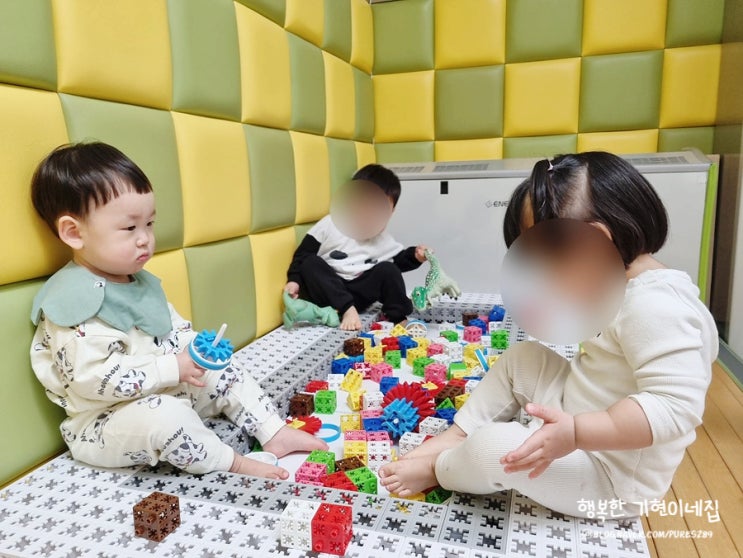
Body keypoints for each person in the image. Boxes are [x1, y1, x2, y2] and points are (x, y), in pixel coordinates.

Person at [379, 152, 718, 518]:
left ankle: (441, 467)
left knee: (496, 448)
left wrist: (577, 432)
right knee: (523, 358)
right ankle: (458, 434)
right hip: (574, 412)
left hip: (608, 475)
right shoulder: (617, 284)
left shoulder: (656, 307)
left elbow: (674, 408)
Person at [29, 142, 326, 479]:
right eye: (130, 228)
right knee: (166, 417)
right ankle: (233, 463)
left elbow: (172, 330)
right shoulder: (71, 303)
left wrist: (196, 353)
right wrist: (172, 367)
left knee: (223, 369)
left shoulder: (138, 282)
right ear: (73, 232)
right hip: (104, 422)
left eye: (149, 224)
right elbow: (93, 379)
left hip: (164, 388)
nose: (145, 238)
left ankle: (273, 431)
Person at [285, 164, 427, 331]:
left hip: (360, 295)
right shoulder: (329, 224)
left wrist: (415, 256)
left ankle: (398, 317)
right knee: (310, 263)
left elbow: (398, 261)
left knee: (388, 269)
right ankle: (347, 310)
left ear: (391, 212)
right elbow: (302, 255)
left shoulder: (382, 238)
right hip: (328, 293)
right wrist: (294, 280)